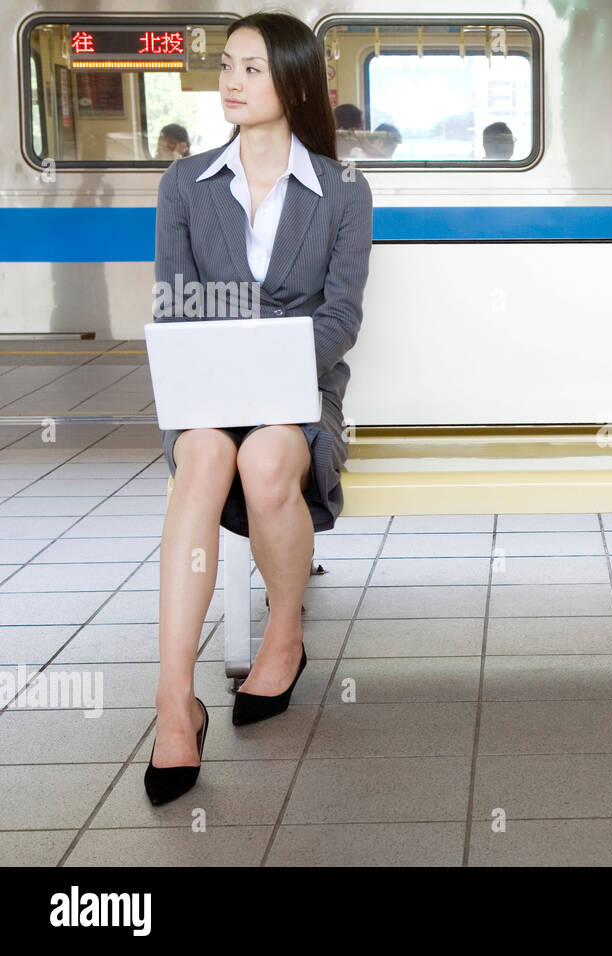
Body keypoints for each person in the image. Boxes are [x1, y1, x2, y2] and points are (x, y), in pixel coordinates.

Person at [147, 12, 372, 804]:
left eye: (252, 68)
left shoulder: (342, 189)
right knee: (206, 454)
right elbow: (173, 304)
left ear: (294, 82)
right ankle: (175, 704)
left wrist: (272, 356)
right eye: (228, 67)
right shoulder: (185, 182)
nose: (231, 82)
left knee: (266, 455)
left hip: (296, 391)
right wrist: (219, 358)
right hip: (206, 387)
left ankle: (285, 631)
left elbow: (340, 318)